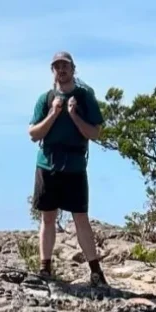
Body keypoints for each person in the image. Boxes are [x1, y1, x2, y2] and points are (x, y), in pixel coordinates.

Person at [28, 51, 108, 287]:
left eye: (65, 66)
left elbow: (95, 132)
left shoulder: (84, 97)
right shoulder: (46, 98)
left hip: (74, 165)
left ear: (73, 69)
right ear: (52, 71)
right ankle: (45, 268)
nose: (61, 70)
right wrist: (53, 113)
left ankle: (95, 271)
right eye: (57, 66)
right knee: (48, 216)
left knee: (80, 218)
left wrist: (73, 115)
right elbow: (33, 134)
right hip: (47, 162)